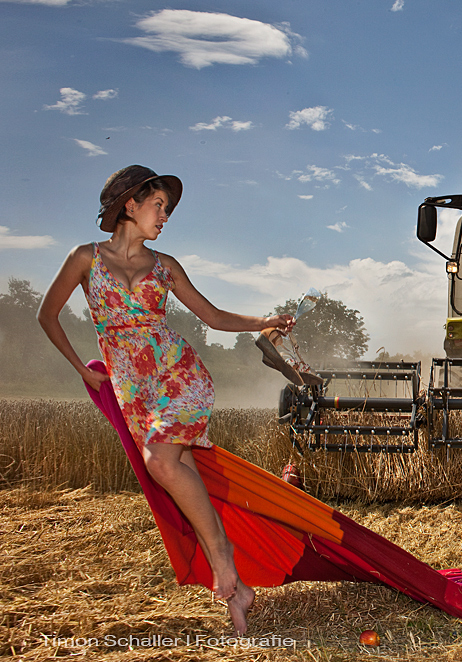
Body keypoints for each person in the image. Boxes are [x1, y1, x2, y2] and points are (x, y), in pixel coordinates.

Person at [37, 165, 295, 635]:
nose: (166, 216)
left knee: (161, 462)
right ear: (130, 205)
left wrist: (264, 320)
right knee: (178, 471)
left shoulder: (165, 266)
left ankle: (223, 561)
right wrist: (82, 371)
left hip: (179, 374)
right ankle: (236, 589)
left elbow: (213, 316)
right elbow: (47, 315)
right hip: (134, 389)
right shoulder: (84, 259)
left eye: (169, 210)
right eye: (160, 206)